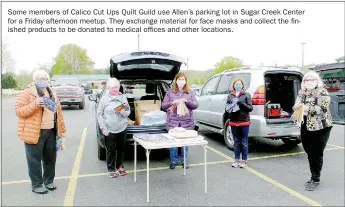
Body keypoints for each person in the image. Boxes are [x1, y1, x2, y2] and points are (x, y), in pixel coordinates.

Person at [15, 70, 66, 194]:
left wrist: (62, 131)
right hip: (34, 132)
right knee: (34, 160)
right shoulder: (27, 93)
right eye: (39, 78)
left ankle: (48, 181)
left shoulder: (52, 91)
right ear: (35, 80)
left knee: (50, 158)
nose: (42, 81)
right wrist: (35, 104)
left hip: (51, 131)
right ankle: (37, 185)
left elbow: (58, 112)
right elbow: (19, 111)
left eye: (44, 78)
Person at [292, 71, 333, 191]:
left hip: (321, 126)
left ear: (316, 80)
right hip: (306, 125)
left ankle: (315, 178)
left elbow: (322, 108)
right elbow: (296, 104)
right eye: (306, 80)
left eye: (311, 80)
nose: (308, 82)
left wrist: (306, 108)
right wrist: (298, 107)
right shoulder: (302, 92)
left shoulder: (322, 91)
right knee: (309, 151)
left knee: (316, 153)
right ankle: (313, 175)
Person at [162, 72, 199, 170]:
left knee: (185, 143)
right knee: (173, 143)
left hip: (186, 122)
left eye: (183, 79)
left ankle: (184, 161)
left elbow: (195, 105)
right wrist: (171, 102)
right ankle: (173, 161)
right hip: (173, 121)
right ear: (176, 80)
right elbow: (163, 106)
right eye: (179, 79)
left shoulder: (190, 92)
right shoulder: (170, 92)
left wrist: (188, 102)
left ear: (185, 81)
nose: (181, 81)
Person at [97, 77, 130, 178]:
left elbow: (128, 111)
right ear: (108, 88)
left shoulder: (123, 97)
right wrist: (103, 128)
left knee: (121, 149)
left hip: (122, 127)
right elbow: (99, 114)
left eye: (116, 87)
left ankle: (120, 166)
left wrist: (123, 112)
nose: (115, 89)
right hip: (109, 129)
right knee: (111, 150)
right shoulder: (104, 99)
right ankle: (111, 168)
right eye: (113, 87)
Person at [225, 79, 253, 168]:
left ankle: (244, 160)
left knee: (244, 142)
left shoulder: (246, 95)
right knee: (236, 141)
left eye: (239, 84)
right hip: (233, 122)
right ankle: (236, 159)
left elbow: (250, 108)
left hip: (244, 122)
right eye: (236, 84)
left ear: (242, 85)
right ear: (234, 86)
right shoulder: (230, 96)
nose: (238, 85)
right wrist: (229, 106)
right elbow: (227, 108)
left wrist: (242, 105)